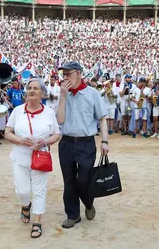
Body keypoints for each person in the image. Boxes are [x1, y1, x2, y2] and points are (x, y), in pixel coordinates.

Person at [4, 78, 61, 238]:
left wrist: (44, 141)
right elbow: (7, 132)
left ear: (42, 92)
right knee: (22, 191)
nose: (32, 90)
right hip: (20, 156)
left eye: (36, 88)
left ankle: (37, 221)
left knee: (39, 191)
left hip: (41, 157)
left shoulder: (49, 112)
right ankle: (25, 204)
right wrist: (20, 140)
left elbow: (56, 134)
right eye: (29, 88)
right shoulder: (17, 110)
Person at [56, 61, 109, 229]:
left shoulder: (93, 94)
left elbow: (102, 118)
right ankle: (72, 215)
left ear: (78, 74)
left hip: (86, 143)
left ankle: (88, 203)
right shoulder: (63, 94)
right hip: (66, 142)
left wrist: (105, 141)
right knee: (69, 181)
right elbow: (60, 120)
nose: (65, 78)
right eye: (63, 74)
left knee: (84, 180)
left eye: (68, 74)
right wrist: (63, 97)